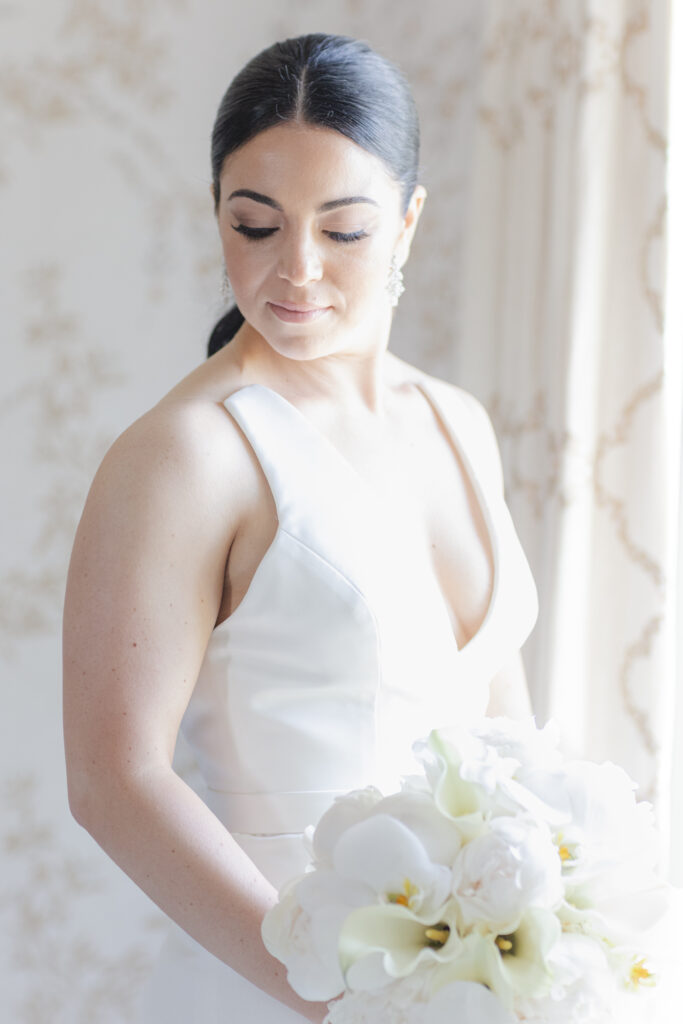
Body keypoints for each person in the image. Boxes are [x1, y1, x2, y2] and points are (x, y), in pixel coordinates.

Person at [62, 33, 538, 1024]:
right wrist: (337, 995)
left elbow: (505, 745)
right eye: (255, 222)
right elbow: (115, 780)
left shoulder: (455, 423)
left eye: (343, 230)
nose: (296, 269)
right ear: (216, 213)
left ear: (407, 223)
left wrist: (533, 943)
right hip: (271, 987)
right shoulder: (187, 454)